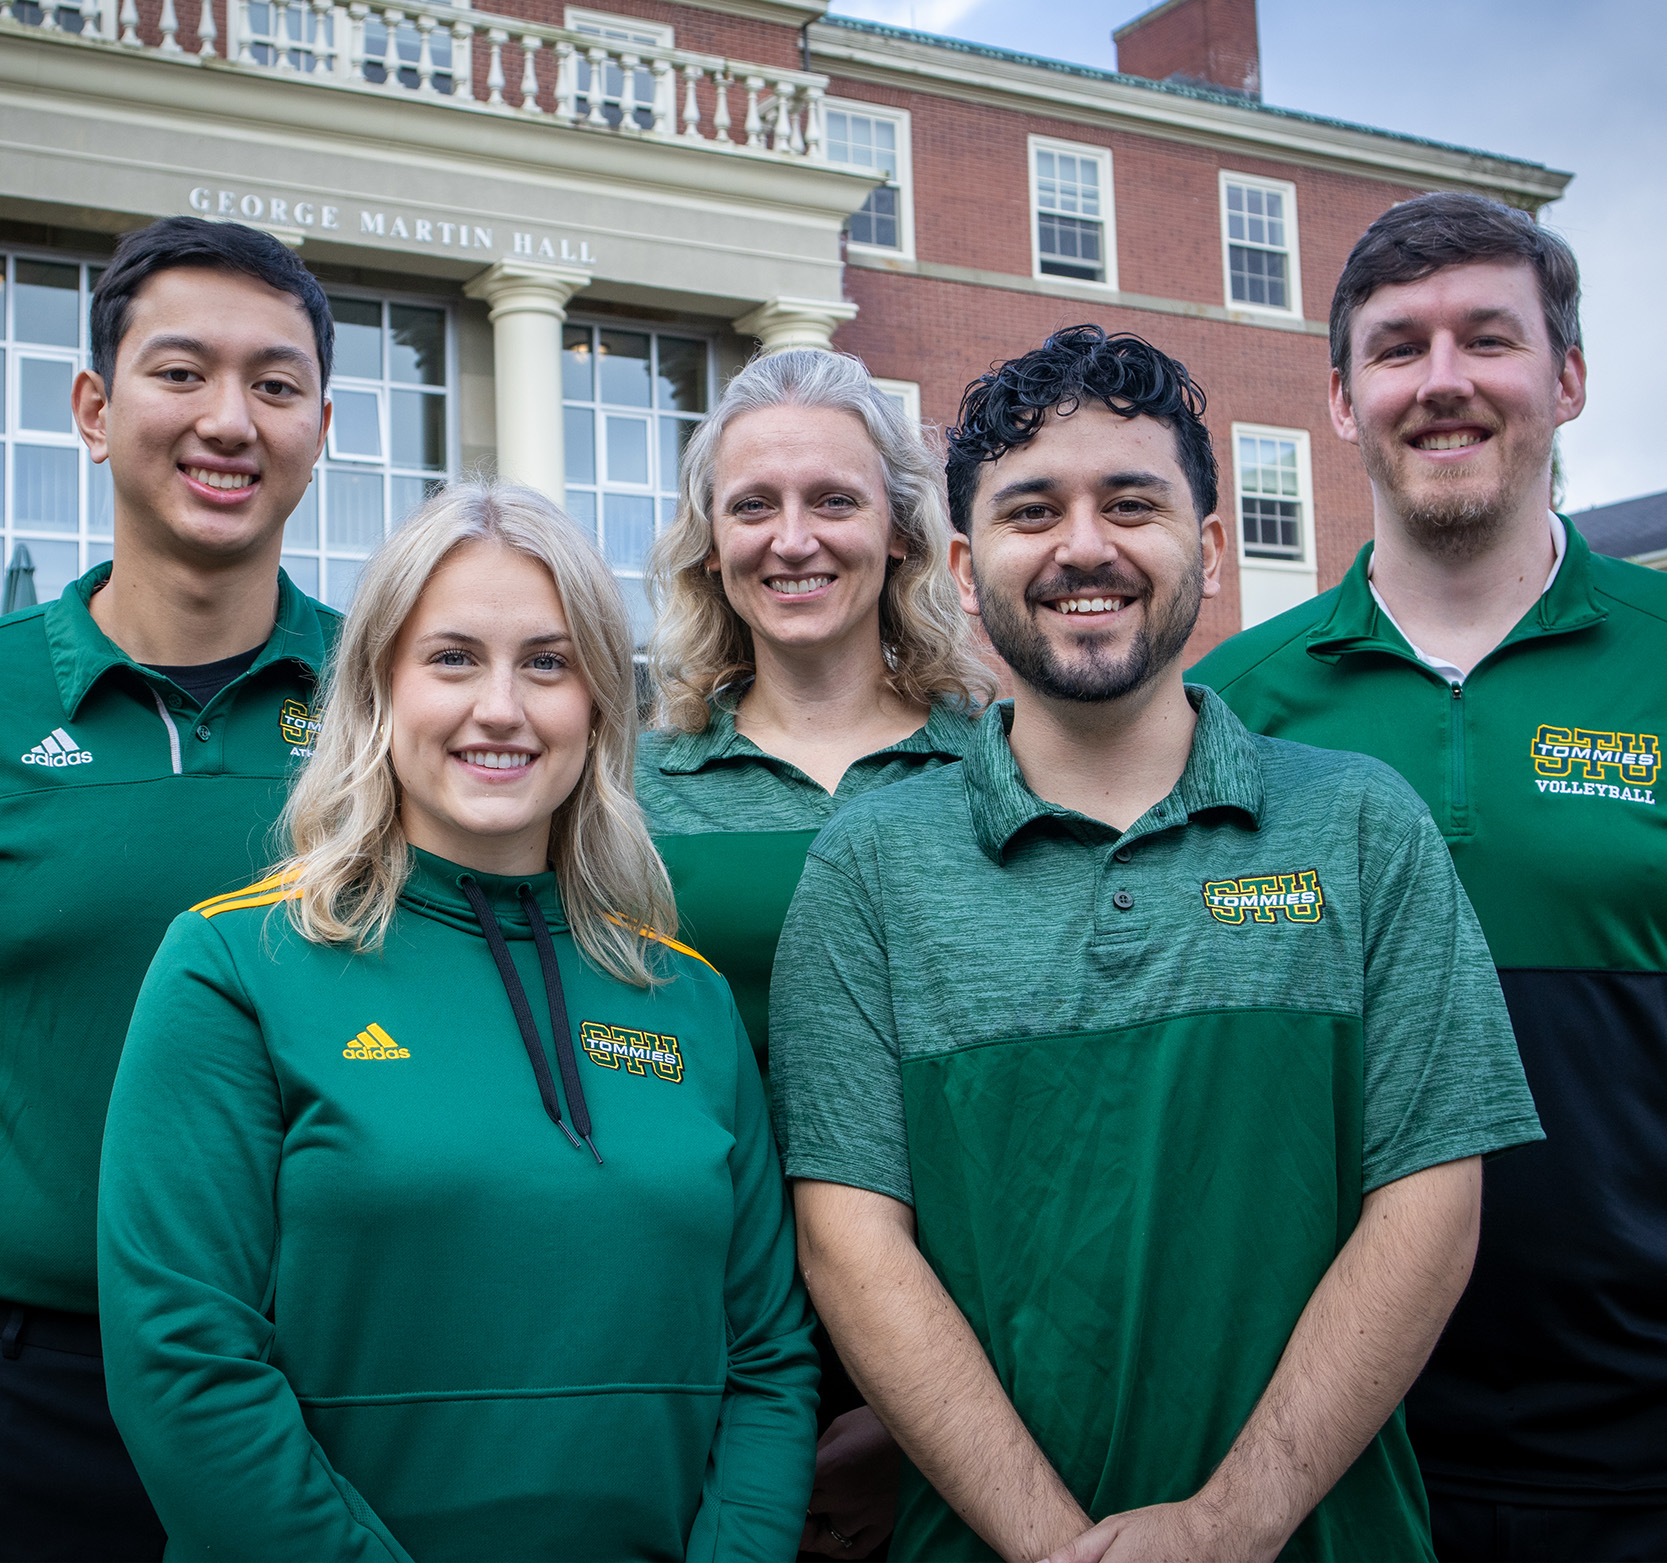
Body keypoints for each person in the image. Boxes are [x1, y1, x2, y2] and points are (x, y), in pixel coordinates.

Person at [769, 324, 1545, 1563]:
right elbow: (848, 1243)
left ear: (1214, 550)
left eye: (1132, 503)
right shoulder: (869, 865)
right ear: (965, 571)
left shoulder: (1358, 825)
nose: (1084, 546)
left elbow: (1429, 1206)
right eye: (1033, 511)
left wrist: (1231, 1525)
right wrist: (1049, 1543)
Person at [97, 483, 819, 1560]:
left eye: (546, 661)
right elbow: (185, 1364)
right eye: (450, 659)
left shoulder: (688, 998)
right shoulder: (233, 964)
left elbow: (767, 1360)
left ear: (597, 705)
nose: (502, 708)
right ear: (377, 688)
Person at [1192, 192, 1667, 1561]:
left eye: (1486, 339)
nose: (1441, 380)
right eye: (1396, 348)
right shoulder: (1225, 710)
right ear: (1339, 400)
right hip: (1312, 1458)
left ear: (1565, 378)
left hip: (1639, 1457)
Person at [0, 215, 337, 1561]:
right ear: (93, 407)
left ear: (319, 422)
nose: (229, 421)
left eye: (274, 383)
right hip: (35, 1394)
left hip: (330, 1370)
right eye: (181, 372)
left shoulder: (401, 703)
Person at [639, 348, 993, 1556]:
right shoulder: (624, 796)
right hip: (695, 1355)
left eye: (832, 500)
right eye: (753, 506)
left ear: (898, 531)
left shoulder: (1004, 773)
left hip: (975, 1350)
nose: (792, 539)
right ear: (707, 544)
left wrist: (919, 1421)